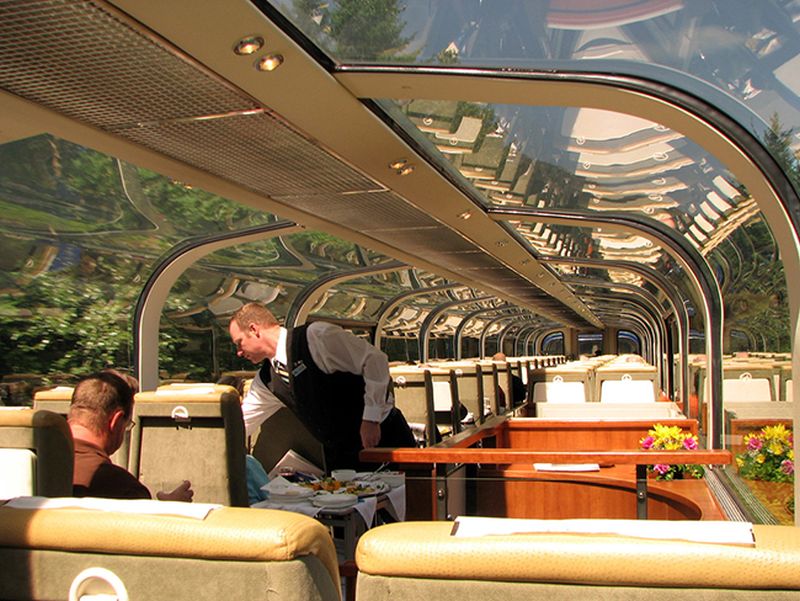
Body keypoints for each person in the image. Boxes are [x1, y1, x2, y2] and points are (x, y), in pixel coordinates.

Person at [229, 302, 416, 469]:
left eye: (239, 343)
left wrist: (371, 419)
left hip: (385, 441)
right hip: (342, 457)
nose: (238, 352)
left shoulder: (316, 337)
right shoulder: (266, 380)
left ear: (254, 329)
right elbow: (242, 422)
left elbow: (375, 360)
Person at [68, 371, 194, 501]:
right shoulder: (122, 488)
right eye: (127, 424)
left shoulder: (53, 465)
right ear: (116, 421)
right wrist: (170, 509)